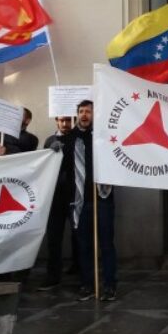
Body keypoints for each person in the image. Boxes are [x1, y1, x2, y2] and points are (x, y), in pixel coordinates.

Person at [63, 100, 117, 302]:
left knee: (106, 244)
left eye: (88, 111)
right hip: (79, 200)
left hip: (103, 197)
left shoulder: (104, 137)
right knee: (83, 245)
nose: (84, 115)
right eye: (81, 111)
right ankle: (87, 284)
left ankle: (110, 285)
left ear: (95, 114)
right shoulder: (70, 139)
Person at [38, 116, 77, 290]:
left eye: (68, 120)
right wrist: (50, 151)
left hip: (75, 193)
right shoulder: (50, 140)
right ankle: (53, 274)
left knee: (78, 234)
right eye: (62, 120)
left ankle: (80, 269)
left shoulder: (78, 138)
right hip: (54, 195)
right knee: (54, 236)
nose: (65, 124)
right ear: (56, 121)